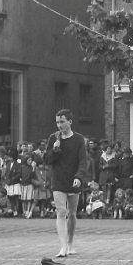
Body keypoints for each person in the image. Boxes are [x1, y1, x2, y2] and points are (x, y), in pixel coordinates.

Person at [43, 109, 90, 257]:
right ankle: (63, 247)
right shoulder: (53, 138)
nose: (59, 125)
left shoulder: (79, 139)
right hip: (58, 180)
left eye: (62, 122)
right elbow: (46, 160)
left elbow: (83, 162)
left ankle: (70, 243)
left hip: (74, 180)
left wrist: (79, 177)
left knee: (72, 213)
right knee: (61, 212)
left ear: (70, 121)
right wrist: (55, 149)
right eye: (57, 122)